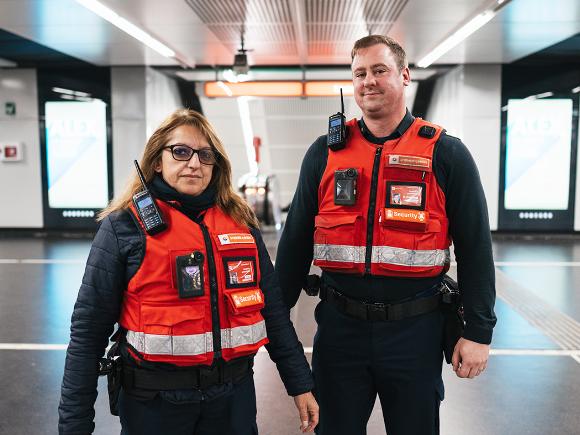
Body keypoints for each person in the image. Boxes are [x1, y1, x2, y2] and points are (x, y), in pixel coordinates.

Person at [275, 35, 497, 435]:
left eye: (379, 70)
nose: (368, 81)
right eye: (359, 73)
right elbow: (293, 249)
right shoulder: (325, 152)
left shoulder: (446, 154)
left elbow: (476, 248)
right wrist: (274, 326)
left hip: (416, 333)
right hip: (340, 331)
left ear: (404, 75)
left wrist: (479, 331)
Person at [58, 109, 318, 435]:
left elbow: (274, 314)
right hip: (155, 406)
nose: (194, 163)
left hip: (233, 402)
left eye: (205, 155)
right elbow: (87, 333)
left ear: (215, 164)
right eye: (180, 152)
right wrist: (74, 425)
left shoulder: (242, 225)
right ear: (156, 160)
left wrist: (300, 384)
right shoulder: (123, 227)